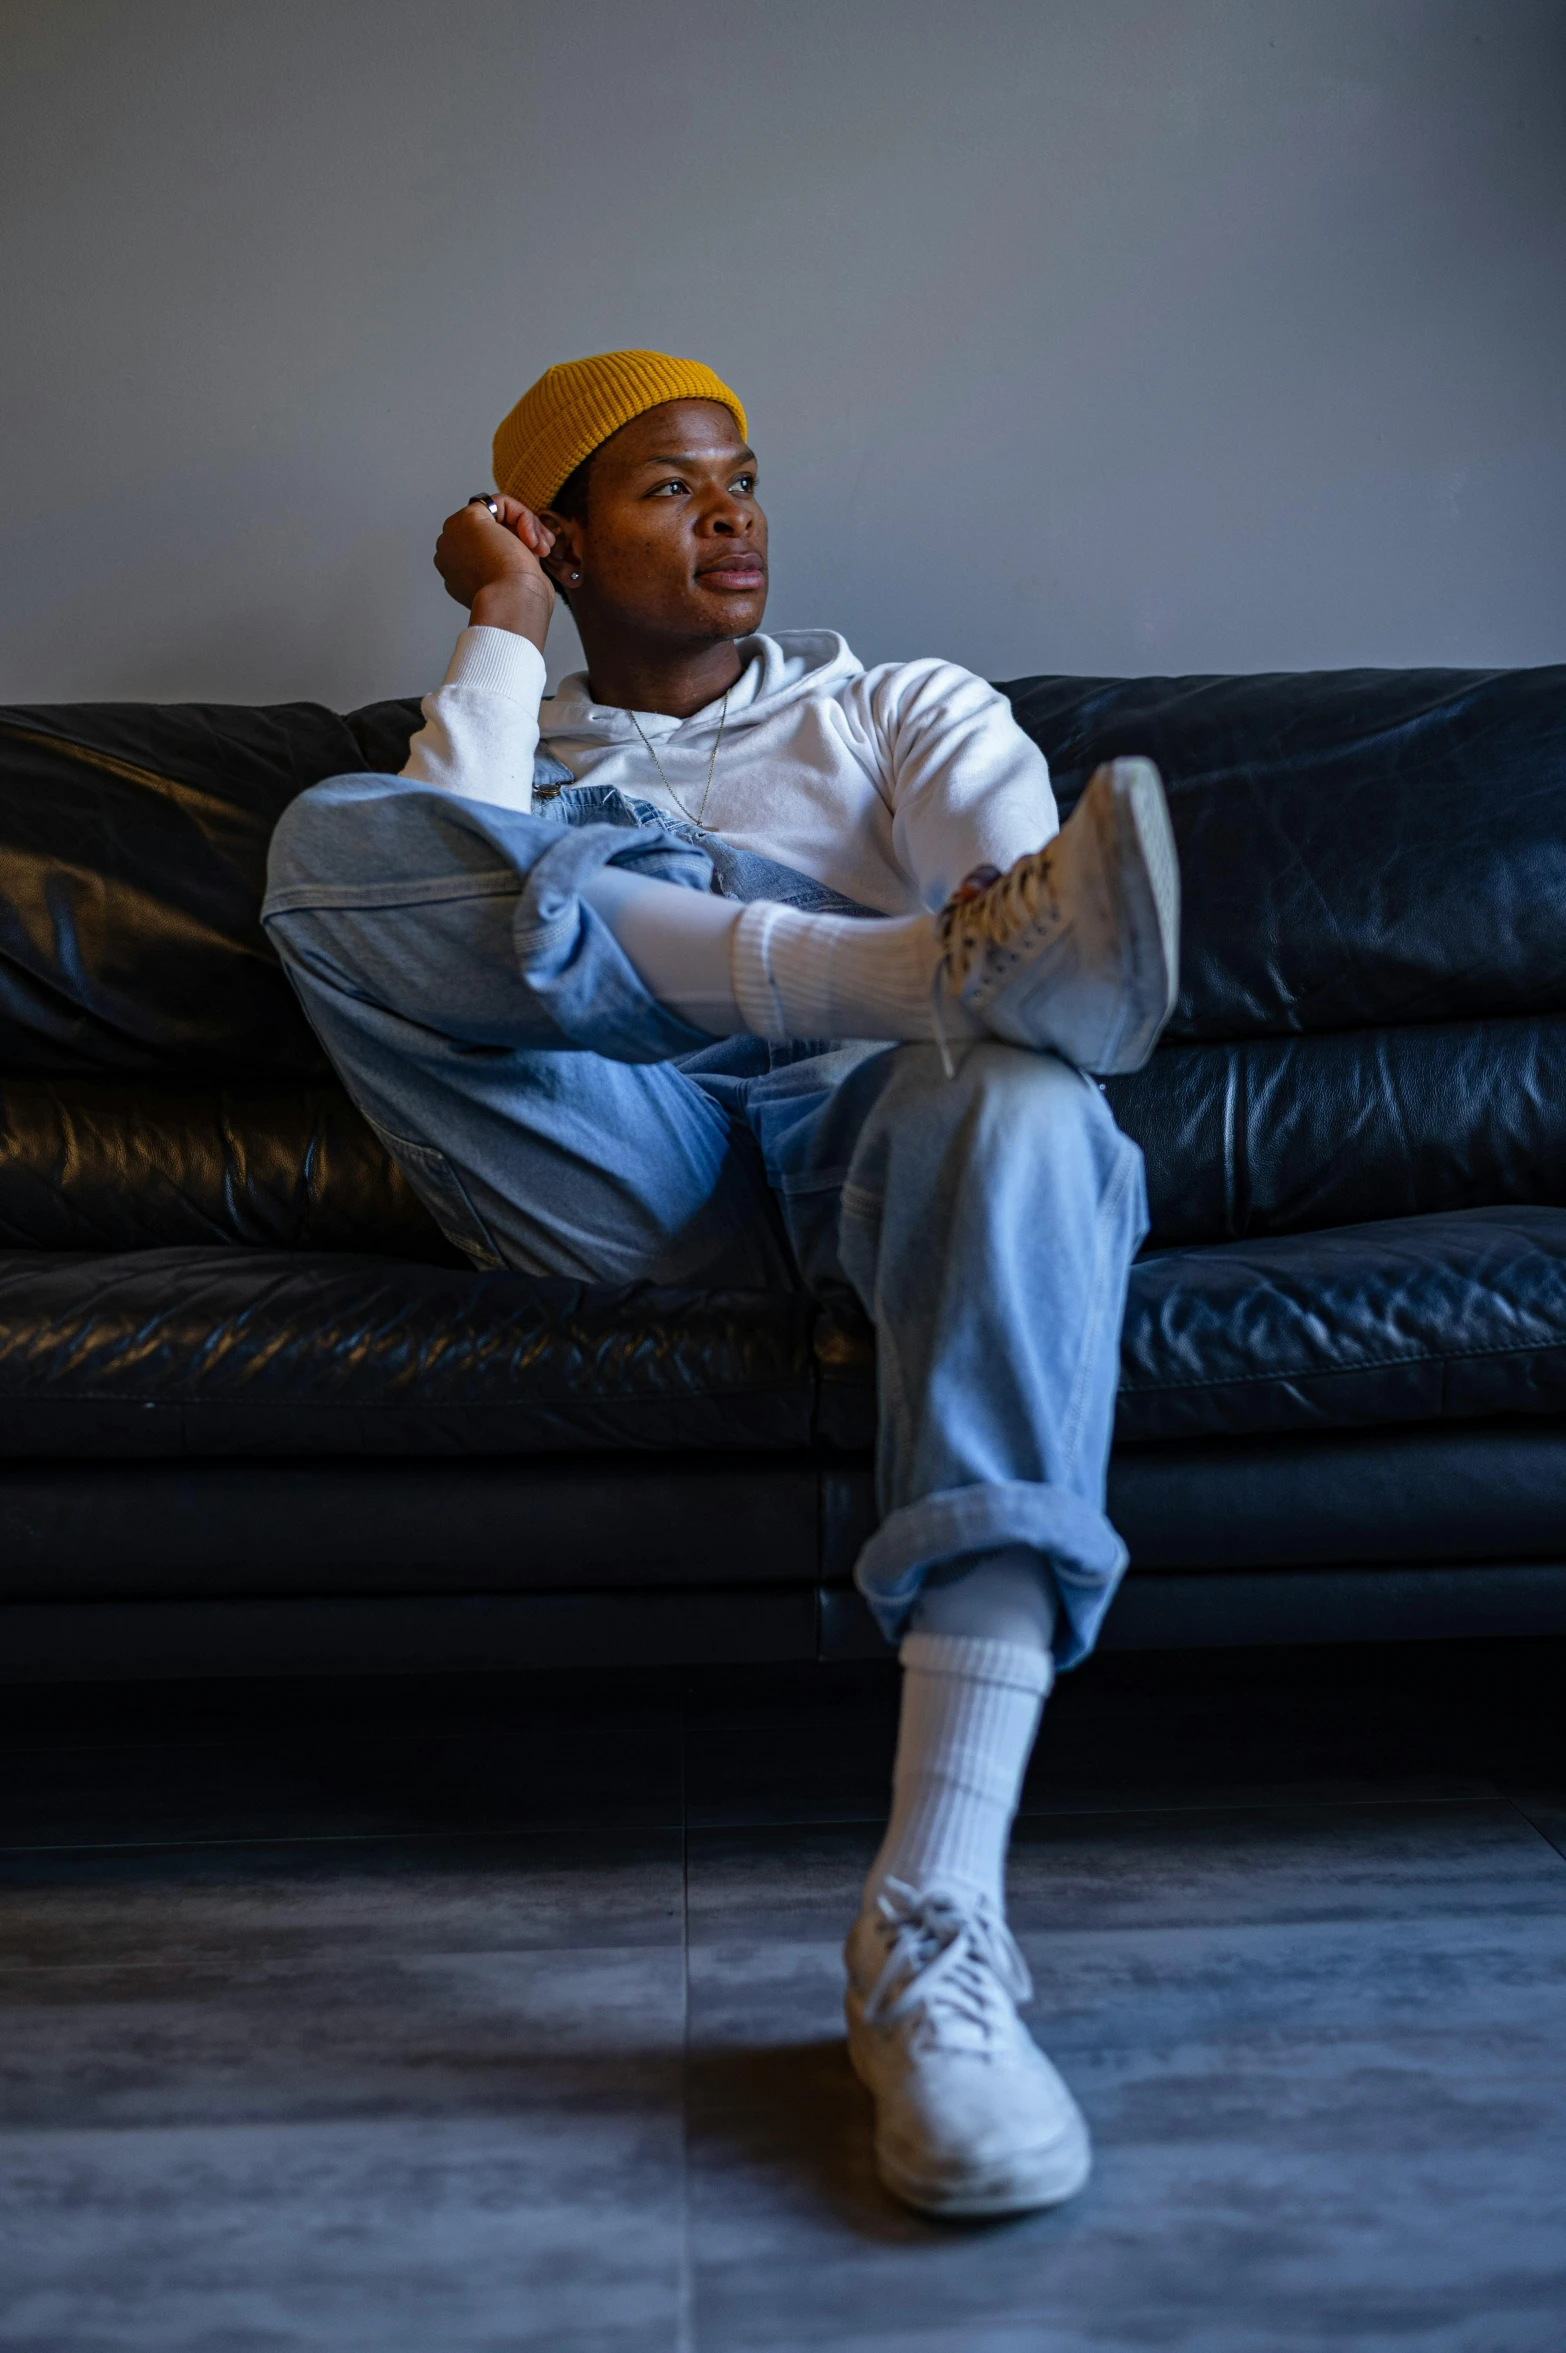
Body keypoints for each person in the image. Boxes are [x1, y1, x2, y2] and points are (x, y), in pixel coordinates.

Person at [262, 349, 1179, 2221]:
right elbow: (419, 890)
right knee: (344, 841)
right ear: (561, 536)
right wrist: (501, 630)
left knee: (1018, 1095)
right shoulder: (514, 713)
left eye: (741, 476)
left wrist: (920, 996)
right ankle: (879, 972)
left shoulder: (896, 706)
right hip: (625, 1156)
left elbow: (1049, 958)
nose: (731, 512)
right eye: (669, 490)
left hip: (883, 1130)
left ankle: (937, 1922)